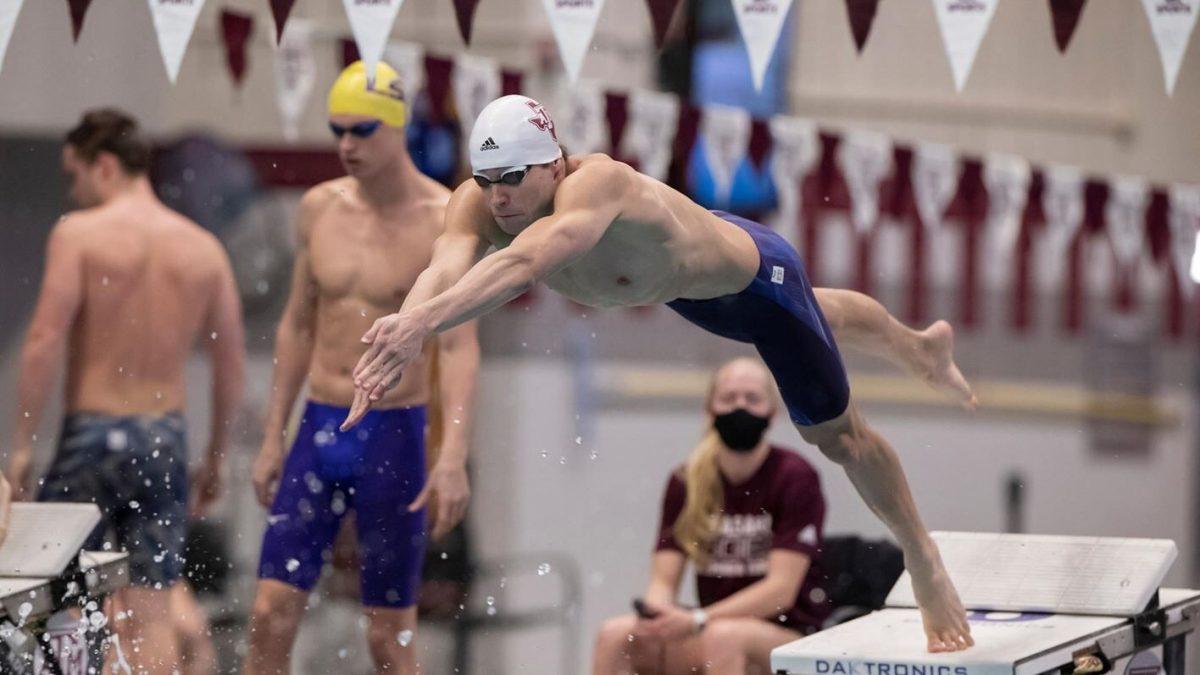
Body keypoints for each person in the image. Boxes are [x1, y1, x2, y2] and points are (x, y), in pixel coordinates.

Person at [345, 95, 976, 652]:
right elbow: (442, 270)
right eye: (485, 180)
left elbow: (526, 263)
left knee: (838, 435)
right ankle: (919, 348)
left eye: (512, 177)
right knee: (826, 306)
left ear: (555, 163)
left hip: (757, 282)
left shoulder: (596, 186)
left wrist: (423, 326)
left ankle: (923, 558)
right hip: (693, 290)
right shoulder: (479, 203)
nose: (498, 196)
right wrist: (406, 323)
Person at [241, 61, 480, 675]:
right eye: (337, 129)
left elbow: (457, 346)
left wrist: (452, 455)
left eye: (361, 130)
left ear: (398, 127)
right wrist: (273, 434)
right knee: (270, 612)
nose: (345, 144)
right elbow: (296, 324)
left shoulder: (442, 218)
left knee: (389, 637)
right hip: (318, 430)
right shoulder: (319, 208)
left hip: (397, 437)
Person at [5, 108, 245, 674]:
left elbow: (44, 339)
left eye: (75, 176)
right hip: (163, 438)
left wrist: (21, 444)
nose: (74, 191)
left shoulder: (80, 234)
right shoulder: (203, 248)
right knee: (153, 609)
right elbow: (229, 364)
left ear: (105, 165)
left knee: (54, 602)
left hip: (92, 434)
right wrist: (214, 458)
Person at [594, 357, 832, 674]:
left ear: (772, 413)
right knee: (615, 635)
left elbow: (780, 592)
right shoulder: (686, 480)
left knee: (724, 637)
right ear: (710, 409)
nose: (740, 407)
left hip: (786, 633)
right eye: (729, 398)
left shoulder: (794, 476)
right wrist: (658, 615)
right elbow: (663, 580)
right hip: (709, 624)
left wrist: (699, 619)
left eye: (752, 399)